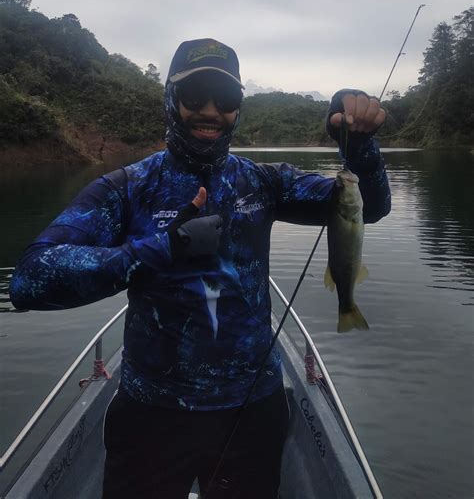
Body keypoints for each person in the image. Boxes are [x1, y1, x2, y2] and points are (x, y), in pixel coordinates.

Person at [9, 38, 391, 499]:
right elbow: (29, 279)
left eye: (225, 99)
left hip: (252, 408)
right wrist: (160, 250)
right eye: (194, 97)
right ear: (172, 101)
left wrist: (359, 143)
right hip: (151, 412)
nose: (210, 110)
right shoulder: (129, 187)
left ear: (237, 110)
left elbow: (365, 209)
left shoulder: (264, 182)